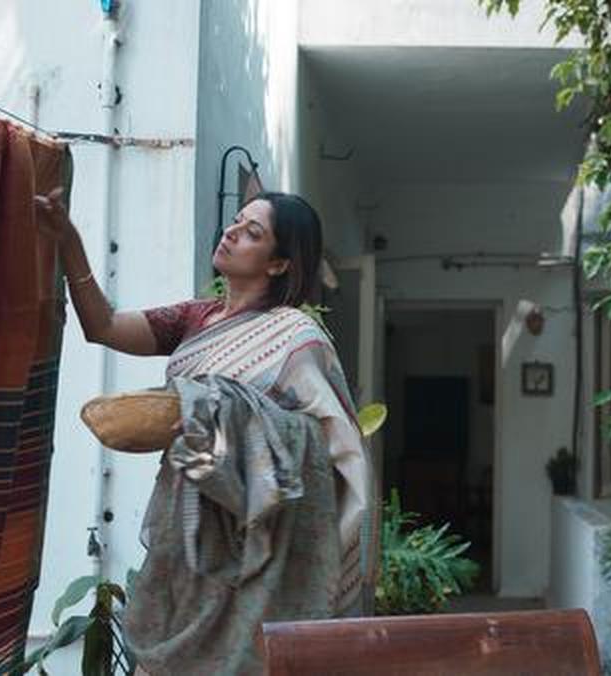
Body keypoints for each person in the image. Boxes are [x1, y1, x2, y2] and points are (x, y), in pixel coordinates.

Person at [35, 189, 377, 675]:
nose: (232, 233)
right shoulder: (195, 319)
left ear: (279, 264)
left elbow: (329, 445)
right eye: (236, 221)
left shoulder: (295, 338)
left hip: (251, 541)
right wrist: (68, 241)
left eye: (252, 232)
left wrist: (225, 416)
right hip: (185, 526)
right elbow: (104, 326)